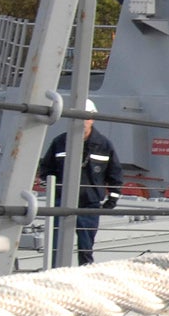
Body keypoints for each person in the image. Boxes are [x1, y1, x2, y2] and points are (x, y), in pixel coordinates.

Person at [37, 101, 123, 265]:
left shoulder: (104, 146)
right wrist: (53, 190)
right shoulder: (60, 143)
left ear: (92, 119)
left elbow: (115, 174)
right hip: (61, 203)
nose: (81, 122)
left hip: (89, 205)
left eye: (85, 118)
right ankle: (56, 272)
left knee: (86, 246)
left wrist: (111, 201)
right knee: (56, 245)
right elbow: (47, 169)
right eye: (77, 118)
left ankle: (84, 273)